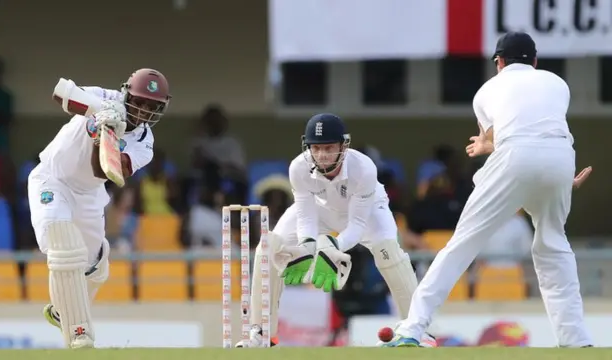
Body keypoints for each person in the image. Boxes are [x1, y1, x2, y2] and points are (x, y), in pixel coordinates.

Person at [388, 32, 593, 348]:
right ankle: (576, 341)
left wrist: (486, 143)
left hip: (515, 157)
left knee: (462, 245)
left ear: (498, 62)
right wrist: (562, 179)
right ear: (535, 62)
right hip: (561, 158)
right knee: (553, 245)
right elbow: (538, 128)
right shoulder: (557, 83)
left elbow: (506, 137)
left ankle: (412, 328)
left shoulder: (485, 91)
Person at [238, 113, 435, 347]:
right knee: (269, 247)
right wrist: (307, 248)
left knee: (390, 253)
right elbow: (306, 216)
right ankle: (261, 334)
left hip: (368, 212)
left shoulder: (363, 168)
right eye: (316, 148)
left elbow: (357, 226)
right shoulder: (298, 168)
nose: (321, 155)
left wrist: (334, 246)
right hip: (321, 210)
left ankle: (418, 332)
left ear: (343, 145)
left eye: (329, 148)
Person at [27, 69, 170, 348]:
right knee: (63, 245)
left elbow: (105, 170)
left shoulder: (145, 143)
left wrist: (103, 135)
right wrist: (100, 112)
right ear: (127, 93)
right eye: (139, 102)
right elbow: (60, 92)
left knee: (95, 266)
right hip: (52, 179)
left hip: (90, 194)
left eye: (151, 107)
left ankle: (61, 310)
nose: (143, 111)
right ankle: (79, 333)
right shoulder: (105, 97)